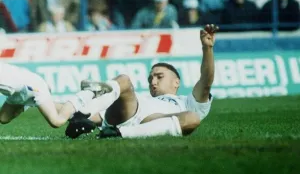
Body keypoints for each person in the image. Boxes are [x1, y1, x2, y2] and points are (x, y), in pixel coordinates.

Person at [65, 24, 218, 139]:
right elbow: (100, 115)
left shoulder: (188, 103)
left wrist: (207, 48)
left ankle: (118, 134)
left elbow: (206, 80)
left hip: (148, 123)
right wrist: (64, 111)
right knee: (124, 80)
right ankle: (82, 113)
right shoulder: (142, 98)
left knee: (192, 118)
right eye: (150, 78)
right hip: (130, 112)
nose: (153, 81)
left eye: (159, 76)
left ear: (176, 82)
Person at [0, 57, 112, 128]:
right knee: (3, 118)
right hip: (20, 90)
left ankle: (88, 91)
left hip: (33, 86)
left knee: (56, 122)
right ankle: (29, 102)